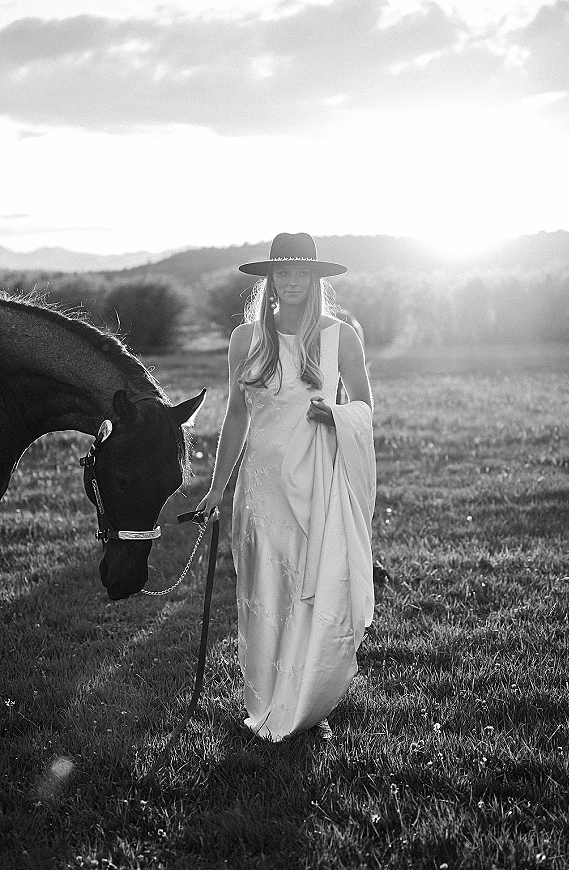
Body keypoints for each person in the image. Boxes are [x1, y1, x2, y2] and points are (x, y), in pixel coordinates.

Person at [196, 232, 376, 742]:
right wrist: (215, 488)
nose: (292, 280)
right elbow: (235, 419)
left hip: (315, 477)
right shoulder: (245, 340)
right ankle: (269, 701)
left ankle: (306, 702)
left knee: (309, 587)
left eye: (302, 272)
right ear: (270, 278)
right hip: (260, 486)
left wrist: (334, 414)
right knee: (268, 589)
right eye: (283, 271)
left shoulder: (342, 336)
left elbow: (364, 407)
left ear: (316, 278)